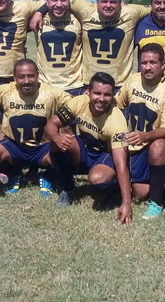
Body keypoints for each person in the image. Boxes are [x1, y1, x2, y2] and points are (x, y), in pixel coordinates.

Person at [44, 72, 133, 224]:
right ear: (88, 92)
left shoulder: (117, 120)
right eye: (97, 93)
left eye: (107, 95)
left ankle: (115, 189)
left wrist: (126, 203)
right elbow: (50, 125)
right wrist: (57, 137)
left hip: (105, 157)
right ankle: (68, 188)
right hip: (85, 151)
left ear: (112, 96)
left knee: (97, 179)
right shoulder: (79, 102)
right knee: (57, 143)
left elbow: (121, 163)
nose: (101, 99)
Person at [0, 59, 72, 196]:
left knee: (70, 153)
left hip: (42, 147)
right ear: (14, 78)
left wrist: (87, 98)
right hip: (13, 146)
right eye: (21, 77)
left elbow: (75, 104)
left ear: (38, 76)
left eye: (30, 76)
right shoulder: (5, 91)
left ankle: (48, 176)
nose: (26, 81)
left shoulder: (51, 93)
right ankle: (13, 173)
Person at [114, 43, 165, 220]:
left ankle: (156, 202)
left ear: (163, 65)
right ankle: (159, 180)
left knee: (158, 147)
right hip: (134, 142)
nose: (148, 67)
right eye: (144, 63)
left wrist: (145, 136)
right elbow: (118, 104)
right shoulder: (133, 80)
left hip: (154, 142)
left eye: (153, 62)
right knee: (139, 192)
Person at [34, 0, 84, 96]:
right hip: (46, 86)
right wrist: (39, 12)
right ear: (46, 2)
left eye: (63, 0)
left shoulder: (79, 18)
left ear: (69, 1)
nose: (59, 4)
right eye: (54, 0)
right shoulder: (36, 18)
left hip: (74, 86)